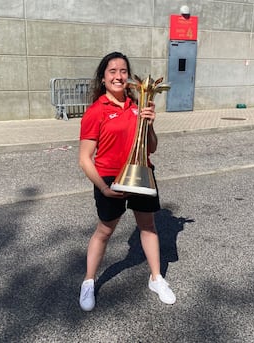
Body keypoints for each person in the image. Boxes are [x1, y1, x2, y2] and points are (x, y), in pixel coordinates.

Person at [78, 51, 176, 311]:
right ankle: (88, 281)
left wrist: (150, 124)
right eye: (112, 71)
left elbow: (151, 147)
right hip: (109, 178)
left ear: (129, 77)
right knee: (104, 231)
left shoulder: (138, 106)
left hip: (141, 172)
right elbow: (85, 158)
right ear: (102, 78)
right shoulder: (96, 111)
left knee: (148, 226)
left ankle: (156, 278)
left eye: (123, 71)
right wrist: (103, 187)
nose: (118, 76)